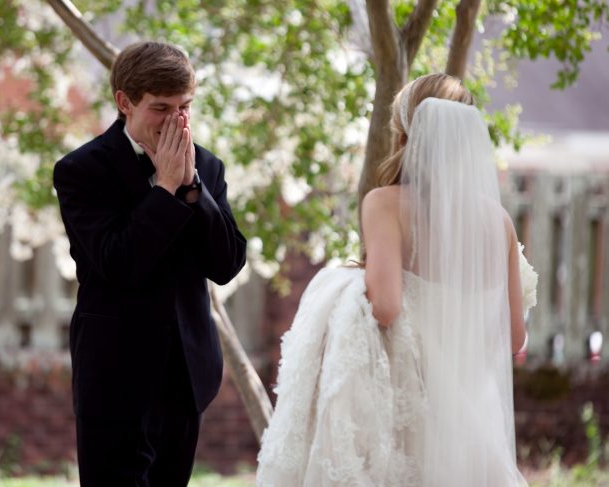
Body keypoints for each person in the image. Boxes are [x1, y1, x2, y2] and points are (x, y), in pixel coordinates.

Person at [256, 74, 529, 486]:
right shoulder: (500, 222)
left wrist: (351, 283)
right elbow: (513, 339)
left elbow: (385, 307)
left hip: (411, 409)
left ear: (403, 136)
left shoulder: (385, 204)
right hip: (469, 419)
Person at [53, 41, 247, 486]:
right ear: (125, 102)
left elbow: (227, 263)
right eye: (161, 108)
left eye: (185, 108)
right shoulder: (82, 170)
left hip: (187, 375)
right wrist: (164, 190)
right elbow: (118, 263)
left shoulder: (208, 167)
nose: (177, 122)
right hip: (115, 374)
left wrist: (193, 188)